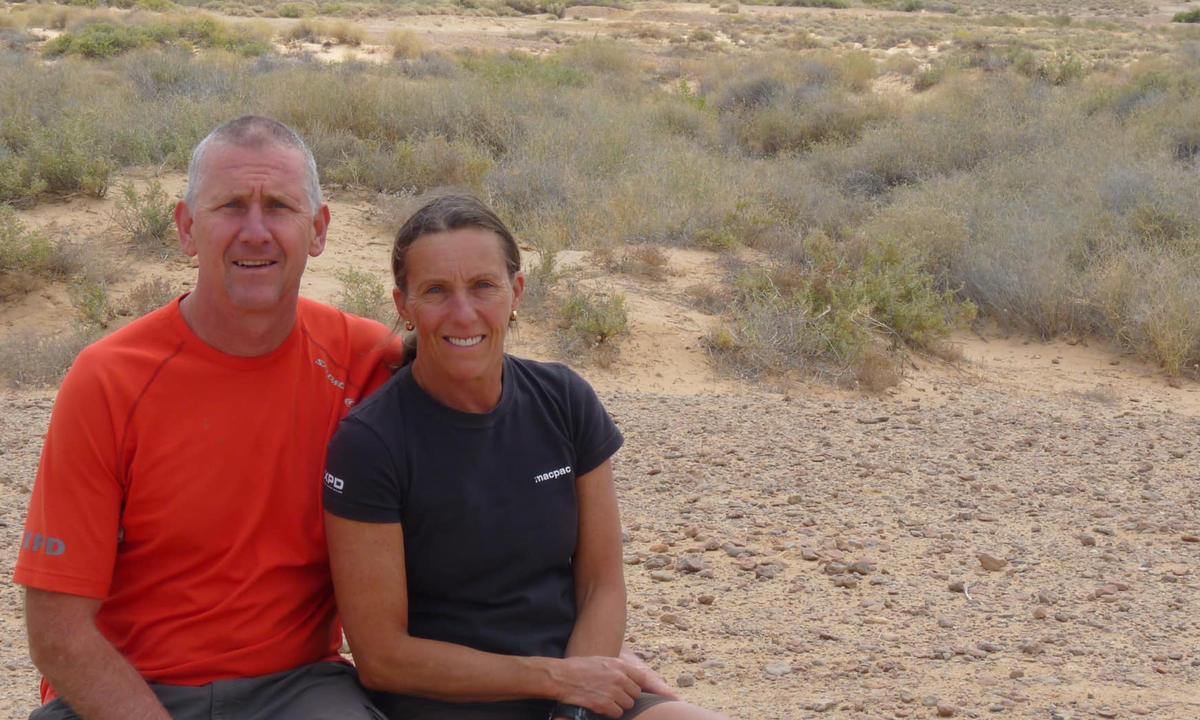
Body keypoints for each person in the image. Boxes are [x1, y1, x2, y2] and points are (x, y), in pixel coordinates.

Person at [13, 117, 672, 720]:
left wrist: (583, 672)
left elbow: (480, 383)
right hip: (130, 693)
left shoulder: (364, 357)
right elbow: (58, 632)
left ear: (320, 229)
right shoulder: (109, 379)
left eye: (279, 207)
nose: (255, 230)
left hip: (297, 689)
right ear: (186, 226)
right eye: (229, 207)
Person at [322, 193, 728, 720]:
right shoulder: (370, 443)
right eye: (436, 291)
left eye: (483, 286)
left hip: (575, 691)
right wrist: (557, 680)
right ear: (404, 306)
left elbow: (601, 585)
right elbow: (382, 658)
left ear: (516, 292)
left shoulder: (563, 399)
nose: (463, 312)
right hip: (448, 701)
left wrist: (574, 707)